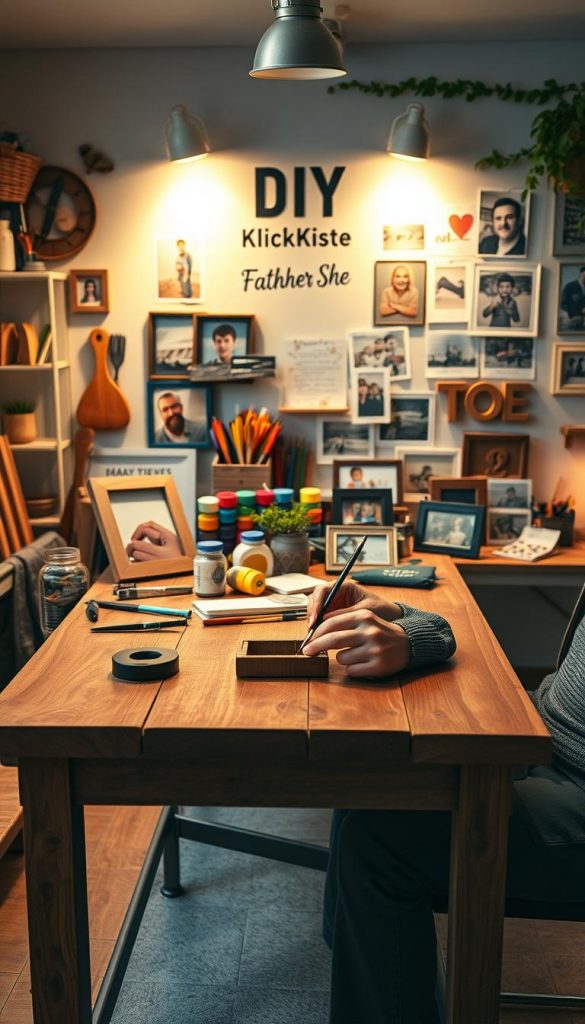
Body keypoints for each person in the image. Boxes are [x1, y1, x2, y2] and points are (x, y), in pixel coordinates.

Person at [302, 579, 585, 1024]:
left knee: (377, 839)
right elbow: (461, 640)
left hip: (568, 775)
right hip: (538, 733)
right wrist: (400, 619)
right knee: (371, 776)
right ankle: (369, 975)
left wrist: (409, 632)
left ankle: (376, 981)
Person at [559, 265, 585, 331]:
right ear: (581, 273)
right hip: (572, 319)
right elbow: (563, 304)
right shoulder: (570, 286)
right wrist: (575, 312)